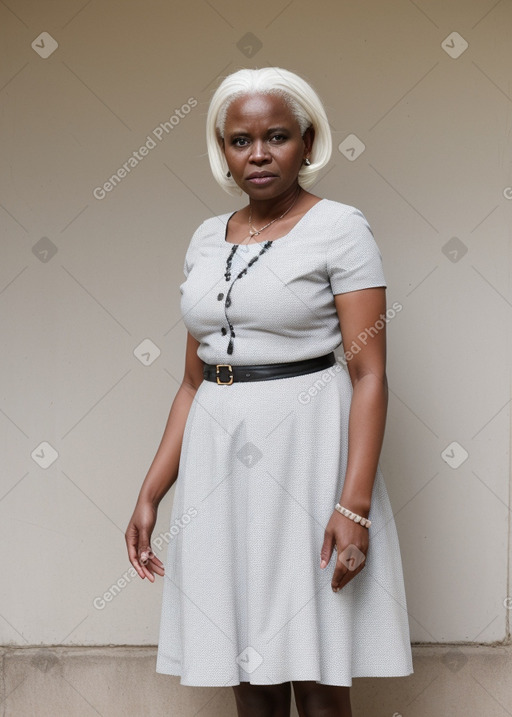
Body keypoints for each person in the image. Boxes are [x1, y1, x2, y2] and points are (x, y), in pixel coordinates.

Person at [125, 66, 413, 717]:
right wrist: (150, 492)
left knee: (315, 676)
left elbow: (371, 374)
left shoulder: (340, 228)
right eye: (240, 140)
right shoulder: (205, 237)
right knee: (247, 673)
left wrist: (355, 504)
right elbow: (193, 380)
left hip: (309, 454)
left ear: (308, 142)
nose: (258, 153)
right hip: (218, 463)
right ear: (222, 150)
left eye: (277, 136)